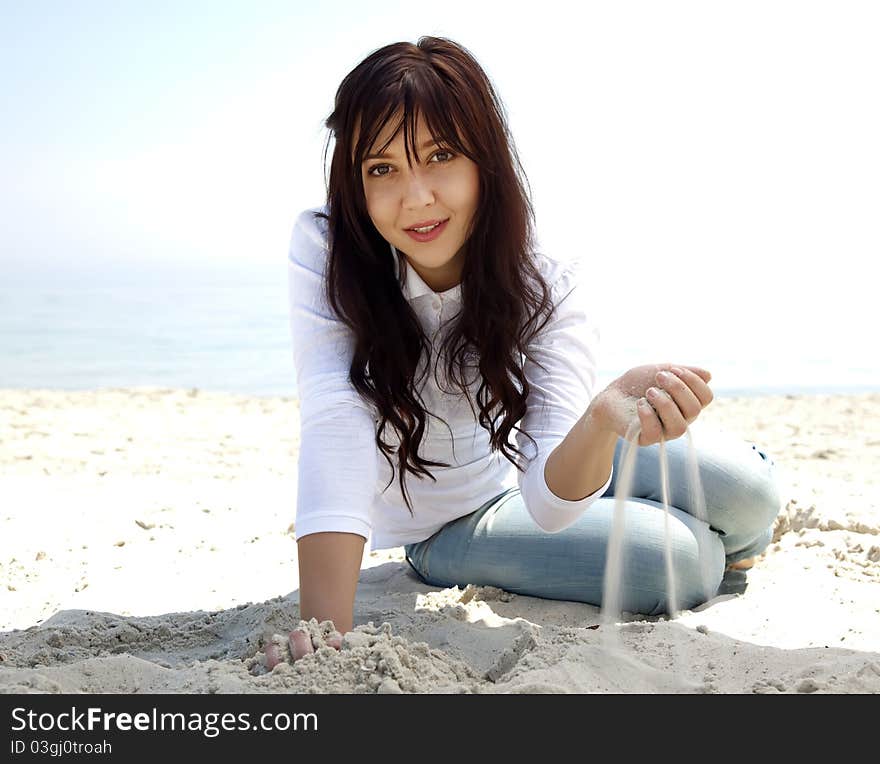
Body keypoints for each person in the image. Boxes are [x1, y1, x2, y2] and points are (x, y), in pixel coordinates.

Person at [278, 36, 781, 666]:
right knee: (676, 563)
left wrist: (601, 418)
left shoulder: (545, 271)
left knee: (751, 486)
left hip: (527, 469)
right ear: (355, 183)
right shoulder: (330, 251)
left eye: (439, 156)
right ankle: (714, 547)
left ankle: (730, 536)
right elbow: (335, 418)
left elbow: (546, 494)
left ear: (484, 160)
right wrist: (327, 634)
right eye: (382, 168)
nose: (416, 197)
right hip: (446, 524)